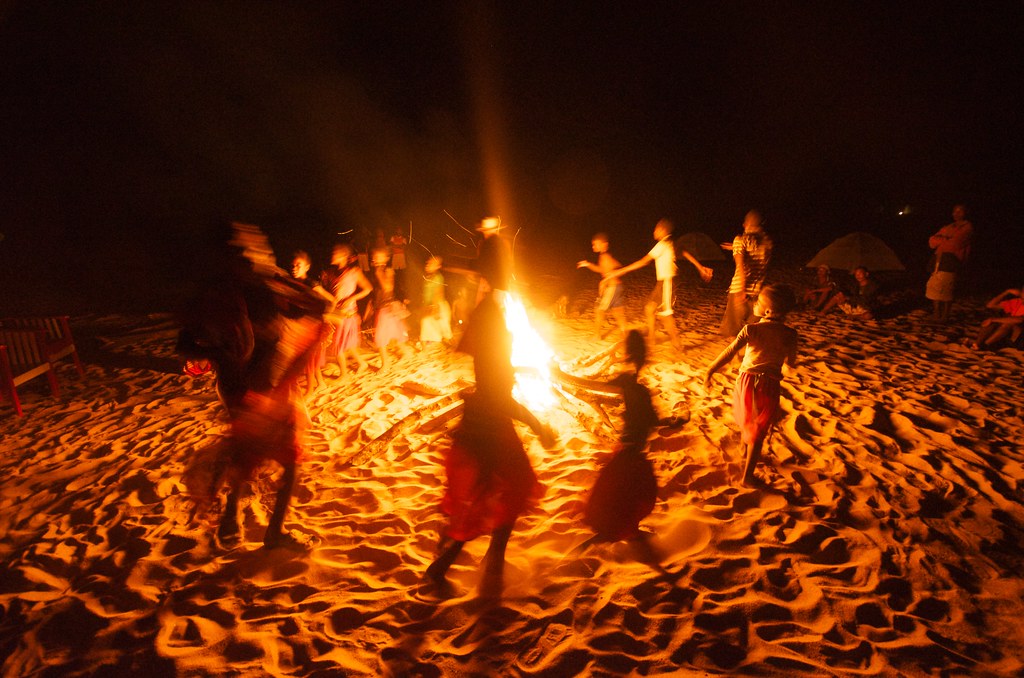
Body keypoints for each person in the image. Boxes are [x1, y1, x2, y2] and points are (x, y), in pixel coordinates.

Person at [177, 222, 327, 549]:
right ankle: (238, 518)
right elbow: (185, 344)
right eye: (243, 251)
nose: (252, 256)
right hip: (245, 392)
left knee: (281, 460)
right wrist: (217, 352)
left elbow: (317, 309)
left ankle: (256, 525)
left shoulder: (270, 286)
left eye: (256, 250)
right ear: (230, 257)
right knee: (256, 457)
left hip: (273, 389)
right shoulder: (218, 295)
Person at [426, 293, 554, 597]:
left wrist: (523, 371)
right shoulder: (493, 350)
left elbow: (496, 384)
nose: (510, 333)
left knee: (509, 489)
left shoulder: (492, 347)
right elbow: (499, 397)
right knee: (490, 496)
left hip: (488, 427)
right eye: (505, 331)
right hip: (489, 431)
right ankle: (447, 566)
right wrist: (537, 426)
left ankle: (489, 559)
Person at [582, 330, 684, 552]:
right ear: (645, 357)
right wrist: (674, 421)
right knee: (629, 501)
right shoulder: (641, 391)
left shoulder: (626, 382)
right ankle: (595, 544)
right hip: (632, 455)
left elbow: (596, 385)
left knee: (624, 501)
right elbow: (654, 421)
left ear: (627, 354)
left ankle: (624, 534)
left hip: (625, 451)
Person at [705, 284, 798, 487]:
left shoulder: (751, 330)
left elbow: (729, 353)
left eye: (758, 302)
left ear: (767, 311)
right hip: (770, 384)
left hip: (746, 381)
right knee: (758, 429)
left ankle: (745, 460)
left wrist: (710, 370)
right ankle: (747, 472)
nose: (754, 303)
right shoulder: (790, 334)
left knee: (750, 421)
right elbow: (791, 362)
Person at [605, 218, 713, 352]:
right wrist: (700, 267)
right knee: (649, 309)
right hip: (663, 282)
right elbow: (684, 252)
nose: (654, 231)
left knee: (666, 315)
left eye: (656, 228)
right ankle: (651, 339)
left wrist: (621, 271)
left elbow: (644, 261)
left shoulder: (663, 244)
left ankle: (677, 345)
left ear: (662, 230)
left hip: (667, 281)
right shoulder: (670, 242)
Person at [318, 243, 372, 377]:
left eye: (335, 253)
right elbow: (333, 293)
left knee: (338, 347)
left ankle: (343, 375)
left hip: (349, 313)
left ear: (343, 256)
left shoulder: (354, 272)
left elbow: (368, 288)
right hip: (338, 313)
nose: (332, 255)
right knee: (346, 344)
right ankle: (362, 364)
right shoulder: (332, 273)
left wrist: (350, 298)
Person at [720, 210, 773, 336]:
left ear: (748, 223)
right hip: (757, 291)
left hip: (740, 289)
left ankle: (737, 355)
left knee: (733, 329)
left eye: (745, 221)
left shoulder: (740, 239)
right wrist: (734, 247)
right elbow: (754, 249)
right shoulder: (767, 243)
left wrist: (742, 290)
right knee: (752, 328)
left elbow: (741, 265)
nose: (743, 225)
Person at [926, 204, 974, 321]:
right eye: (955, 211)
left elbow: (955, 244)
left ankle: (944, 316)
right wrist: (946, 238)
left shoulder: (967, 227)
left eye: (960, 211)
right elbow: (931, 242)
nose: (956, 214)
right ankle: (936, 314)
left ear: (965, 213)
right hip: (939, 259)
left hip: (951, 260)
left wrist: (942, 239)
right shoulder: (948, 227)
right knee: (934, 288)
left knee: (947, 289)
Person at [577, 232, 628, 340]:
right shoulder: (605, 256)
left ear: (604, 244)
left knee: (599, 310)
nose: (593, 246)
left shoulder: (605, 256)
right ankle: (624, 333)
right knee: (618, 311)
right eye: (593, 244)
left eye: (596, 244)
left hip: (612, 287)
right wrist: (588, 264)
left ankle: (597, 335)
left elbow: (611, 272)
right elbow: (603, 270)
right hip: (618, 286)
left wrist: (604, 282)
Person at [369, 247, 410, 370]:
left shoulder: (388, 270)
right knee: (396, 332)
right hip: (382, 307)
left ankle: (385, 364)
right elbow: (375, 293)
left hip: (387, 308)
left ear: (386, 258)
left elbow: (387, 288)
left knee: (380, 337)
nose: (376, 259)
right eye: (374, 257)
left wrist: (378, 273)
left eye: (379, 256)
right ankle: (407, 353)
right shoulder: (377, 271)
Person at [419, 255, 453, 346]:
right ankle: (430, 342)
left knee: (438, 323)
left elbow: (438, 293)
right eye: (428, 263)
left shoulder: (438, 277)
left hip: (437, 304)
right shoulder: (428, 277)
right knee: (428, 322)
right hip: (430, 304)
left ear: (438, 267)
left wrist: (435, 306)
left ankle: (446, 340)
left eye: (431, 264)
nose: (428, 265)